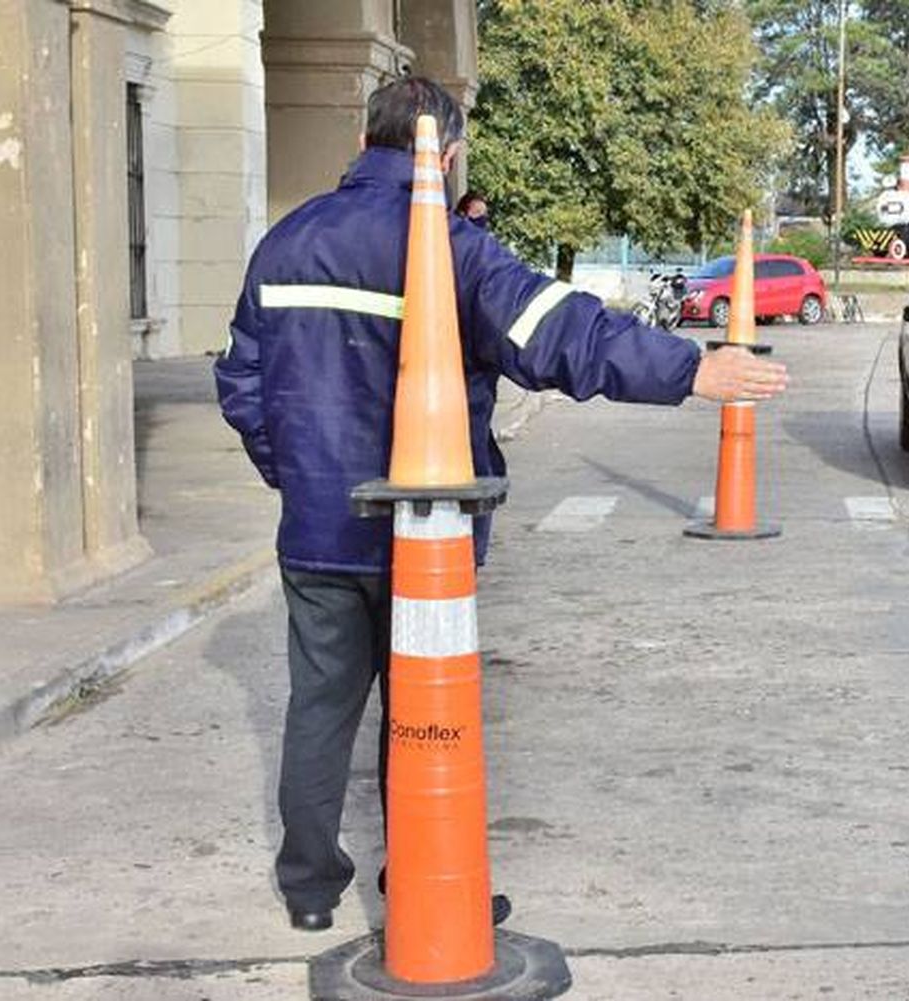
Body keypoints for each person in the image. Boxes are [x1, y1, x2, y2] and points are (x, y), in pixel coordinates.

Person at [214, 77, 787, 933]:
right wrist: (690, 370)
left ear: (365, 139)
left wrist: (293, 471)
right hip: (425, 537)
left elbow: (242, 381)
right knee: (424, 712)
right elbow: (560, 332)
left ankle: (308, 888)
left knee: (319, 705)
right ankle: (425, 880)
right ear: (442, 155)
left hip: (317, 528)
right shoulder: (451, 248)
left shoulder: (285, 243)